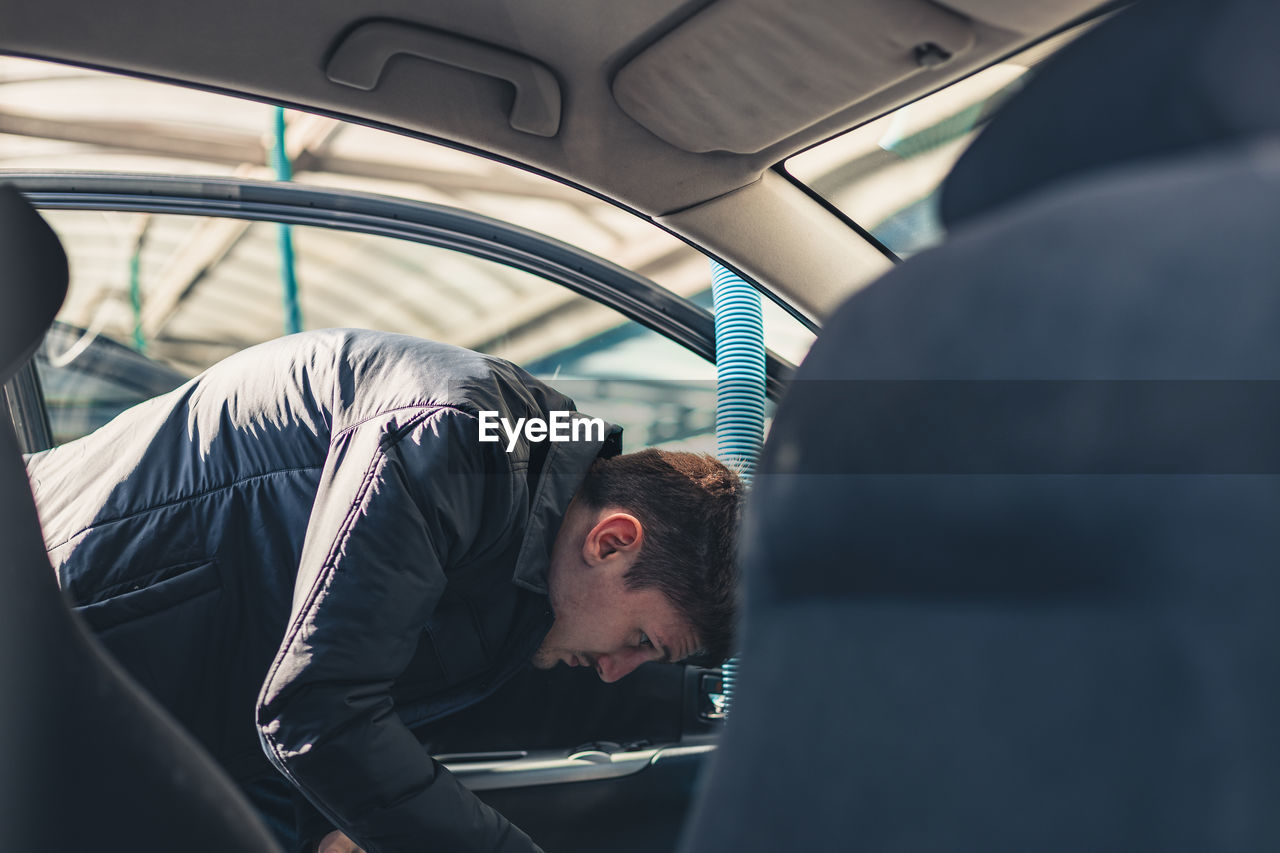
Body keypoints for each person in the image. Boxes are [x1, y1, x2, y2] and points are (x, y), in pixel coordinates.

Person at [24, 328, 742, 853]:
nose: (618, 666)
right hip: (35, 631)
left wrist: (326, 828)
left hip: (124, 709)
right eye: (642, 641)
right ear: (611, 541)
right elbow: (315, 708)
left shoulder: (524, 516)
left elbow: (314, 678)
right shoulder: (457, 442)